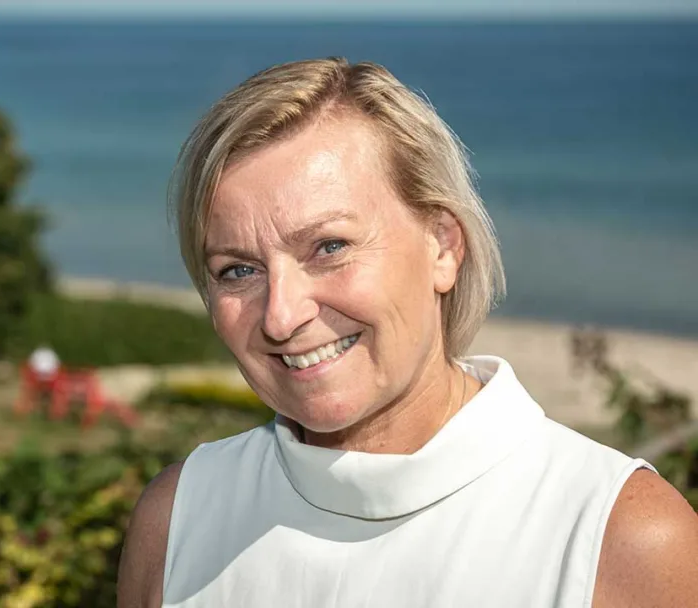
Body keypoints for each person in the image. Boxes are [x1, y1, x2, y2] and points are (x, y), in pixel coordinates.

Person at [116, 58, 698, 607]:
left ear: (442, 246)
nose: (281, 316)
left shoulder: (618, 537)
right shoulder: (177, 520)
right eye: (239, 270)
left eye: (329, 247)